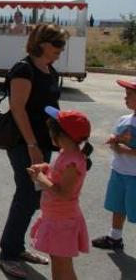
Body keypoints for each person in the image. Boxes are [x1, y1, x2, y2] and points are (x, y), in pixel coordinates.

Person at [0, 23, 69, 279]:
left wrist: (62, 138)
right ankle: (8, 254)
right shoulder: (24, 69)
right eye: (57, 44)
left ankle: (16, 247)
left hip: (42, 143)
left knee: (34, 197)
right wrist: (32, 145)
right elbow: (18, 109)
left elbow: (52, 109)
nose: (61, 49)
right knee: (27, 194)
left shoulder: (49, 70)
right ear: (42, 43)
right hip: (23, 143)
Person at [27, 107, 93, 280]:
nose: (48, 133)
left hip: (62, 222)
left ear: (62, 135)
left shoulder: (73, 162)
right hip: (55, 217)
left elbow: (63, 193)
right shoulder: (65, 153)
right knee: (59, 264)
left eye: (50, 130)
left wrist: (40, 178)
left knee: (62, 267)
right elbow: (58, 175)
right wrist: (45, 168)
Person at [91, 78, 136, 251]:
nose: (125, 98)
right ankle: (114, 237)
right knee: (118, 205)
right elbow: (117, 138)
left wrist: (128, 151)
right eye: (126, 94)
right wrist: (114, 140)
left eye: (130, 95)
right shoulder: (124, 119)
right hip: (119, 171)